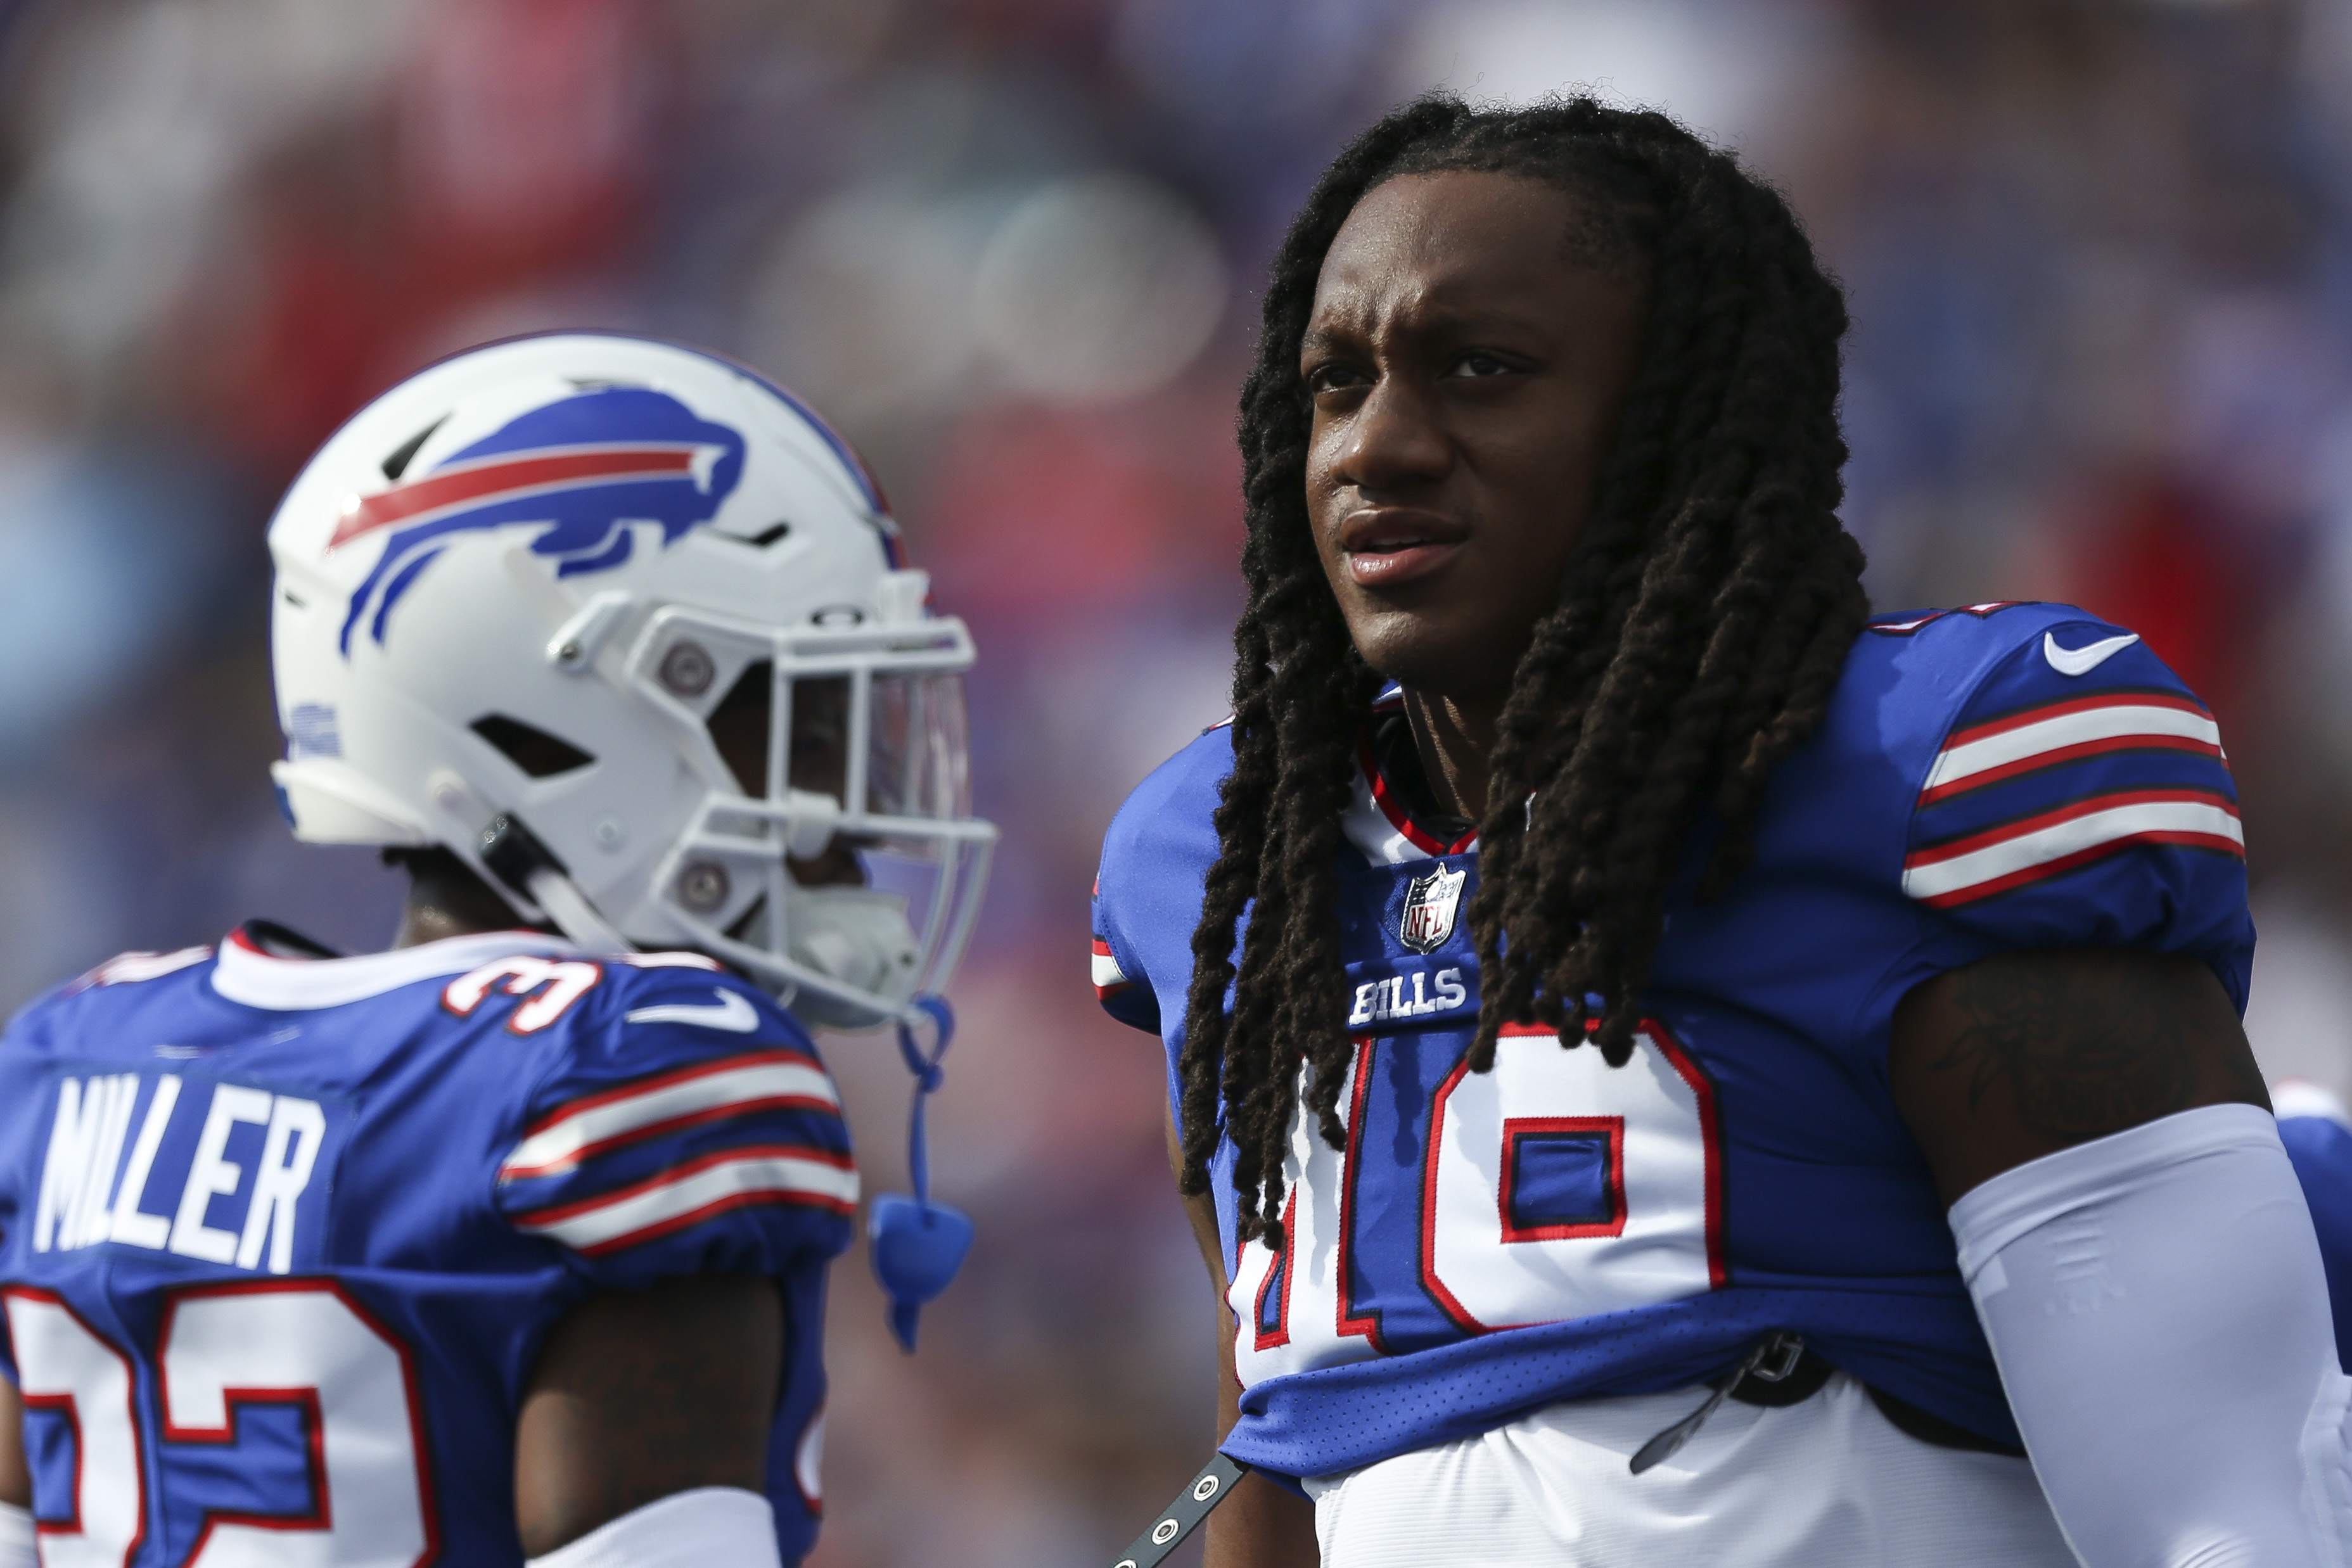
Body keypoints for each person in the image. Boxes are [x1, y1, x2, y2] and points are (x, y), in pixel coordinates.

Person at [1090, 96, 2339, 1565]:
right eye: (1334, 381)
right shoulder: (1225, 865)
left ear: (1668, 418)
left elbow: (2223, 1514)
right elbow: (1292, 1445)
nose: (1377, 446)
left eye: (1478, 370)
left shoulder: (1919, 776)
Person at [0, 332, 994, 1567]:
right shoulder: (638, 1068)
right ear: (555, 716)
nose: (841, 814)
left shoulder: (72, 1057)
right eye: (789, 721)